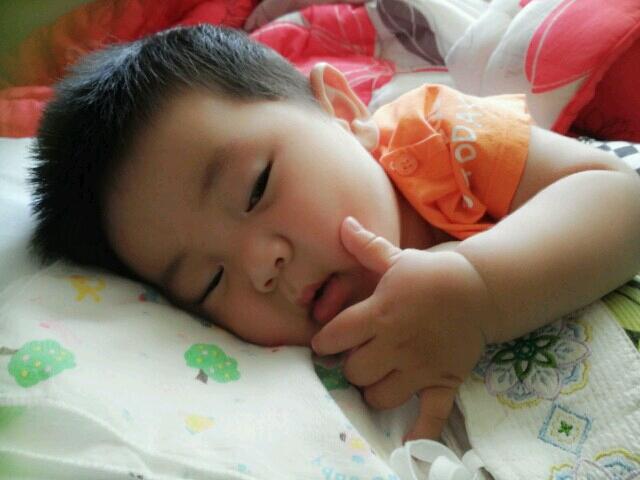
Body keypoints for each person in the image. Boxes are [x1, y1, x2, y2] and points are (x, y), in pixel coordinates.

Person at [30, 24, 640, 441]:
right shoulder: (321, 367)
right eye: (209, 281)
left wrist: (476, 290)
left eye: (255, 189)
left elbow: (619, 197)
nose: (260, 266)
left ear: (343, 112)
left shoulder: (441, 140)